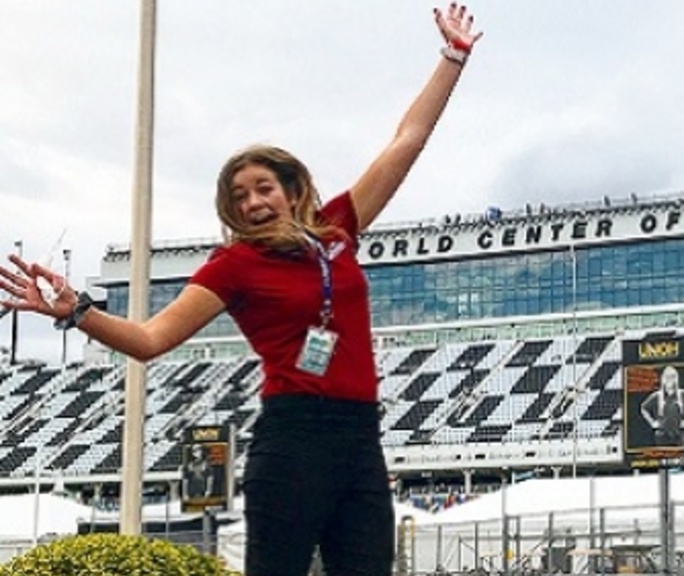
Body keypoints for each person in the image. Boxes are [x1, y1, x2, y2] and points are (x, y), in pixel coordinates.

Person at [0, 4, 482, 575]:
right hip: (292, 439)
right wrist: (78, 311)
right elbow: (151, 338)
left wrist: (452, 57)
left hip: (360, 440)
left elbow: (409, 139)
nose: (252, 202)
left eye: (263, 188)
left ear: (293, 188)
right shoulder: (235, 264)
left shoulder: (336, 229)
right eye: (239, 196)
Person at [639, 365, 684, 447]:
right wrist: (652, 423)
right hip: (662, 434)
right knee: (663, 457)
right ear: (663, 379)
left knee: (682, 457)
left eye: (672, 377)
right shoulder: (656, 396)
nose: (669, 379)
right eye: (667, 377)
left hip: (680, 434)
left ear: (676, 379)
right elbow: (643, 408)